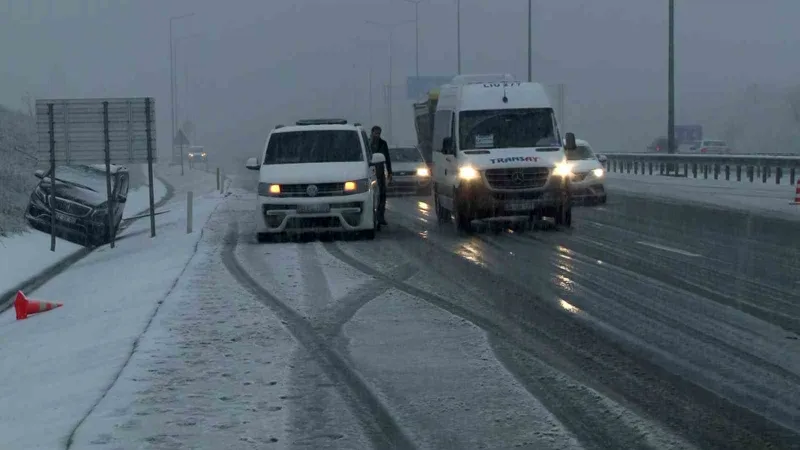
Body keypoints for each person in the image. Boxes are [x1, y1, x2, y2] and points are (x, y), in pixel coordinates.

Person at [370, 125, 392, 225]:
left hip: (380, 173)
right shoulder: (367, 144)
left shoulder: (383, 144)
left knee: (382, 195)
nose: (377, 135)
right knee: (371, 195)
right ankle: (371, 216)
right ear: (372, 133)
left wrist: (390, 172)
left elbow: (387, 159)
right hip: (369, 173)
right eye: (375, 133)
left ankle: (380, 216)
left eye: (379, 133)